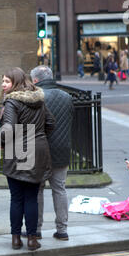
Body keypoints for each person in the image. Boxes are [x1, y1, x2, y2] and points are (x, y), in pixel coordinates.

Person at [0, 67, 55, 251]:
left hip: (16, 152)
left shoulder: (12, 102)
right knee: (31, 198)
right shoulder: (39, 100)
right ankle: (32, 239)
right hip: (38, 151)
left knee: (16, 198)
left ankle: (16, 239)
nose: (2, 84)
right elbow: (51, 123)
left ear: (15, 82)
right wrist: (39, 137)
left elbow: (8, 129)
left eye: (6, 81)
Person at [29, 65, 74, 241]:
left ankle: (36, 229)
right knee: (60, 189)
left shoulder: (36, 97)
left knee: (37, 190)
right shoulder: (67, 96)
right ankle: (62, 230)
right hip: (62, 149)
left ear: (35, 80)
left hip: (40, 151)